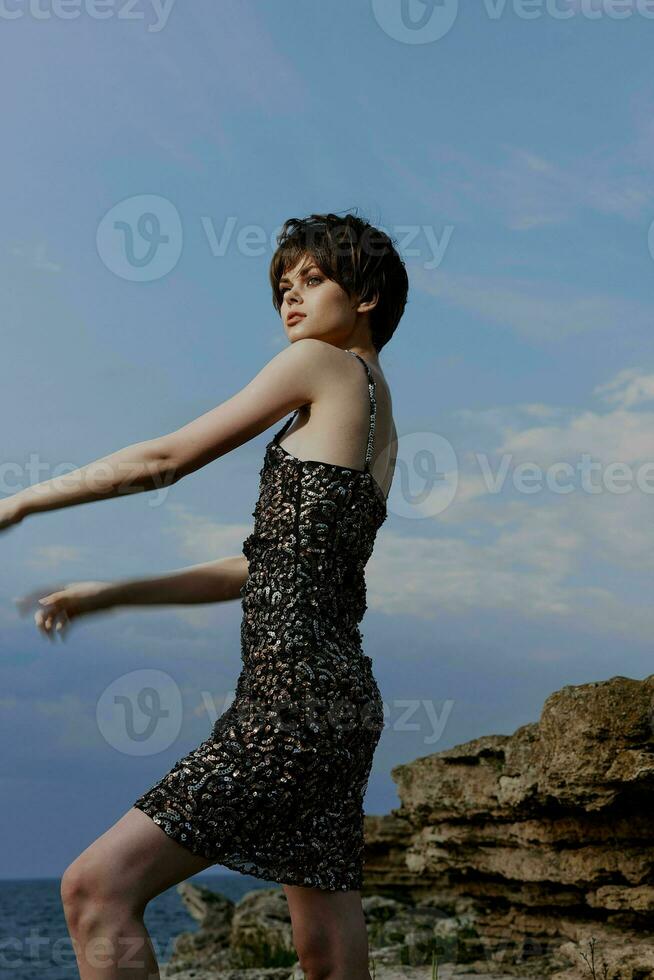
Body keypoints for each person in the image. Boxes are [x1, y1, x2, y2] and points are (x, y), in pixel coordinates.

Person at [4, 211, 409, 980]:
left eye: (312, 279)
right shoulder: (380, 417)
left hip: (289, 702)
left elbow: (163, 460)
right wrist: (110, 593)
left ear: (366, 296)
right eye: (281, 287)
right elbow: (264, 568)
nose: (290, 298)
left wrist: (22, 500)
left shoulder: (322, 366)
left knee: (95, 889)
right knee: (327, 955)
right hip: (343, 704)